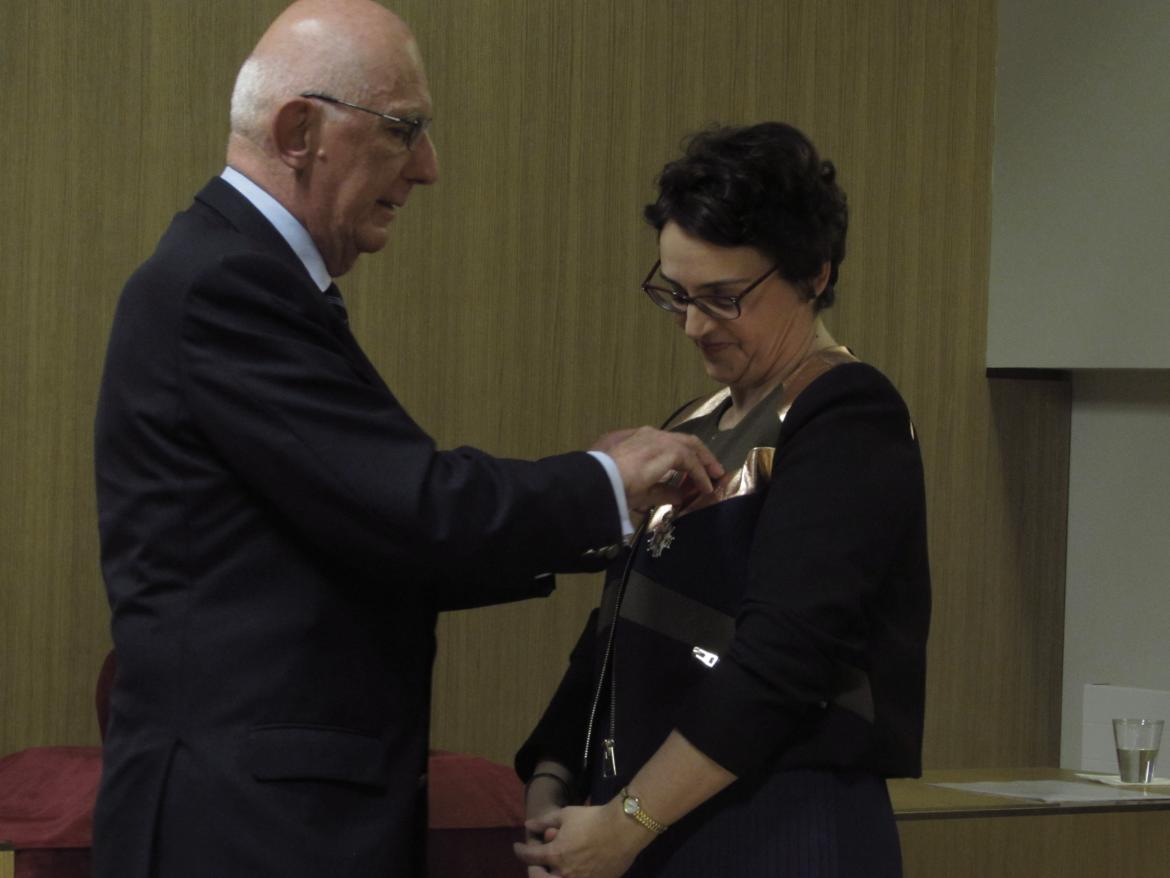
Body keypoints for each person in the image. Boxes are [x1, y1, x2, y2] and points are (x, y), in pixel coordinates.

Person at [91, 2, 722, 876]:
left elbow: (372, 532)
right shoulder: (227, 285)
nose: (427, 168)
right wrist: (605, 483)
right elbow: (406, 507)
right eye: (403, 130)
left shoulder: (232, 270)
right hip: (245, 830)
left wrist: (601, 497)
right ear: (300, 129)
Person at [514, 123, 932, 877]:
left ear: (813, 273)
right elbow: (619, 623)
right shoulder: (693, 424)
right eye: (677, 295)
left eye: (724, 298)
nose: (695, 325)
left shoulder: (845, 415)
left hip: (778, 828)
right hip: (652, 823)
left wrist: (625, 822)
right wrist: (554, 777)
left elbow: (782, 660)